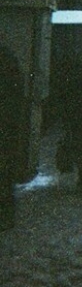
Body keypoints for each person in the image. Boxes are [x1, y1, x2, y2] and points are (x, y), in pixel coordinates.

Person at [0, 49, 23, 230]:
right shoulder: (12, 66)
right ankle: (6, 216)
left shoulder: (10, 67)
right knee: (6, 176)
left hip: (6, 129)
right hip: (8, 130)